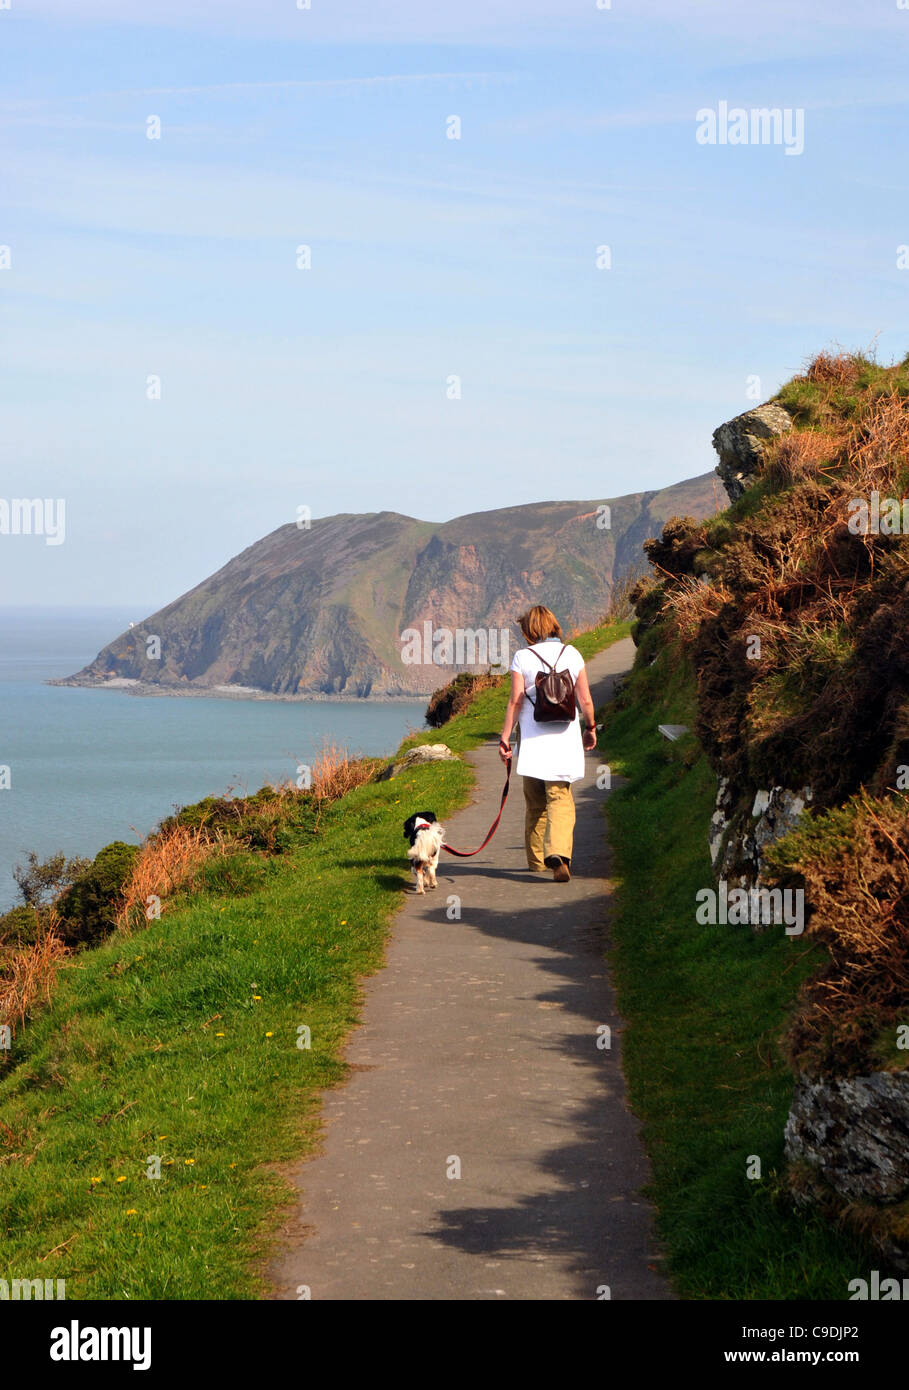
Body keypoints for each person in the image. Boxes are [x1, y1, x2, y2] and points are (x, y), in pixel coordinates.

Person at [498, 606, 597, 883]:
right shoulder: (572, 654)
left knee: (535, 803)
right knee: (560, 799)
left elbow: (515, 700)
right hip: (564, 742)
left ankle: (536, 861)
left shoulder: (522, 657)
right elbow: (586, 700)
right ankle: (558, 854)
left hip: (532, 743)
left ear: (529, 631)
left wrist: (505, 737)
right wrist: (590, 728)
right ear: (553, 625)